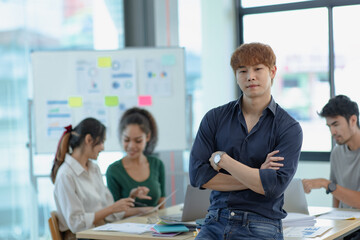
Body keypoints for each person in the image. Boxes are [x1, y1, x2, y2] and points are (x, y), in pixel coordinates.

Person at [189, 42, 303, 240]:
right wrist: (257, 175)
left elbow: (273, 187)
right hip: (215, 220)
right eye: (242, 71)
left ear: (273, 71)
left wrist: (223, 161)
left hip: (261, 224)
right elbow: (198, 176)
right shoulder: (214, 118)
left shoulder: (289, 128)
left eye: (258, 69)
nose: (250, 76)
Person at [52, 118, 152, 240]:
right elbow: (77, 224)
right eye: (101, 142)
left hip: (100, 232)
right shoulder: (66, 175)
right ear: (89, 139)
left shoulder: (94, 169)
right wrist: (111, 209)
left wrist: (142, 210)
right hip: (82, 237)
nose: (102, 148)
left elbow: (111, 213)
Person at [302, 95, 360, 240]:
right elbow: (336, 194)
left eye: (336, 124)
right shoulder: (337, 152)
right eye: (329, 126)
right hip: (348, 224)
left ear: (353, 120)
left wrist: (325, 183)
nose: (332, 132)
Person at [106, 107, 166, 209]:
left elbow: (162, 204)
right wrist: (133, 199)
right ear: (121, 137)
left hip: (154, 223)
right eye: (126, 140)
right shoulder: (113, 171)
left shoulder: (157, 164)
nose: (131, 146)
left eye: (138, 141)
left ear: (147, 137)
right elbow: (114, 213)